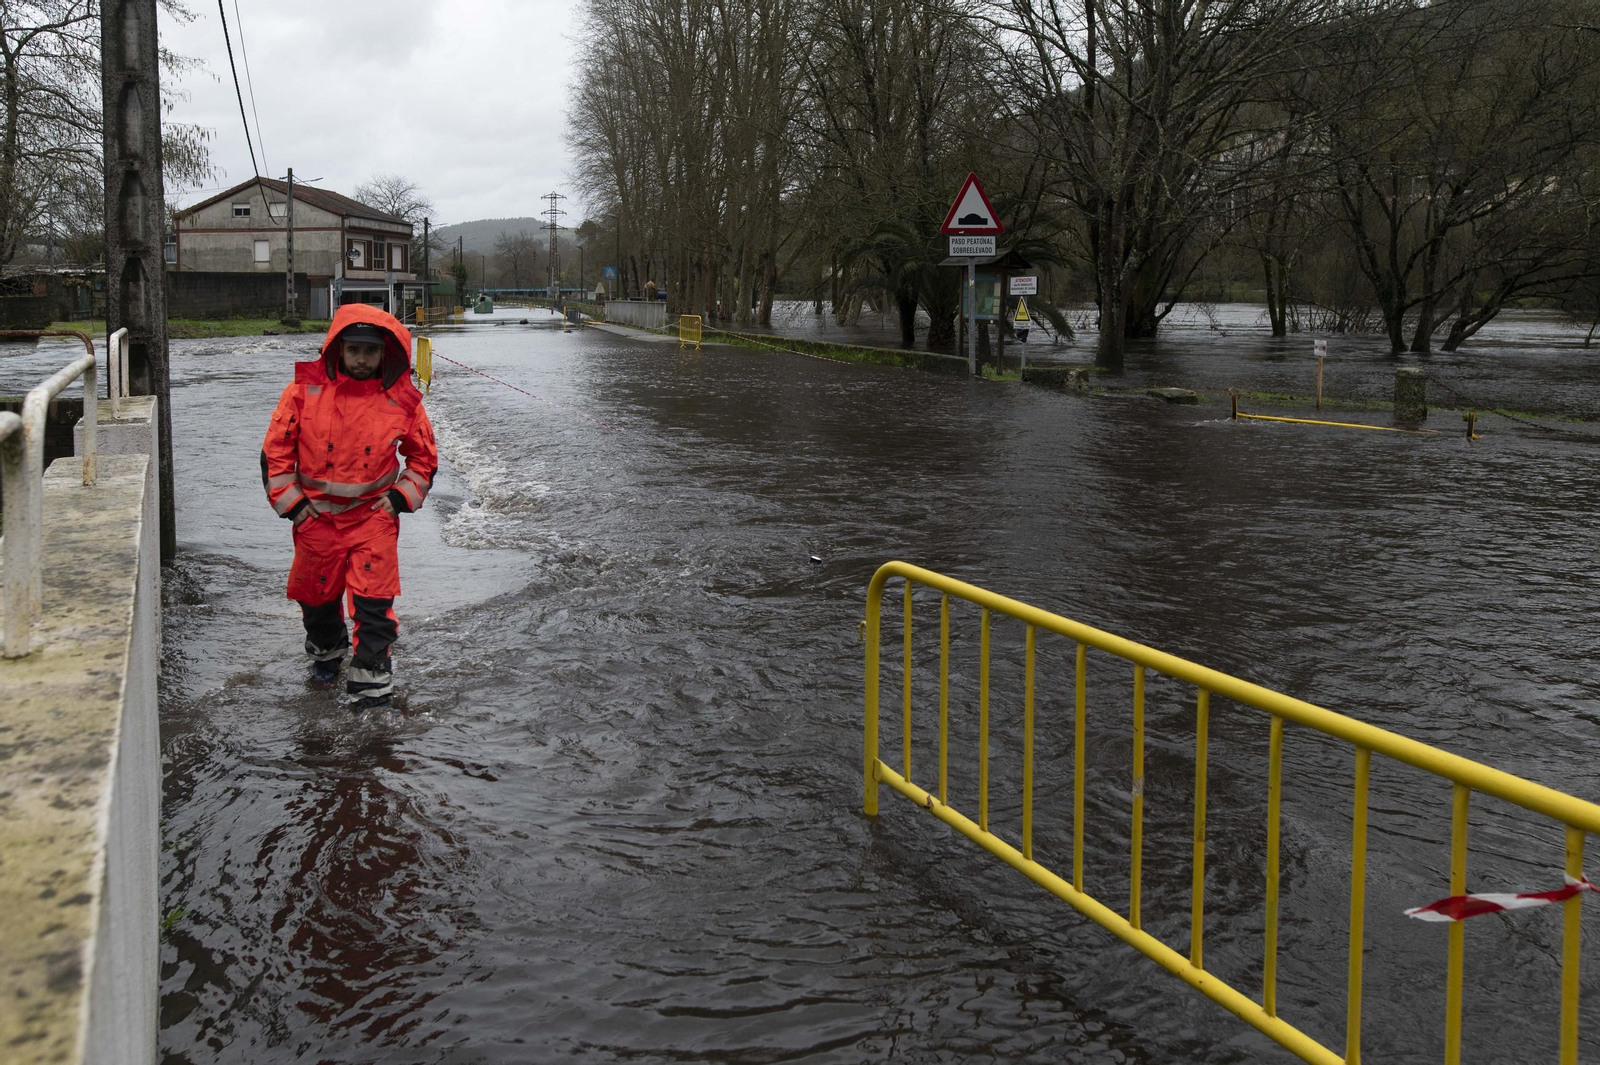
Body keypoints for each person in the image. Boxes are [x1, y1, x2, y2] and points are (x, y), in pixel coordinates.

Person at [261, 304, 438, 711]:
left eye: (370, 351)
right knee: (317, 601)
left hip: (372, 520)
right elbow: (275, 452)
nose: (361, 359)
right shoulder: (302, 391)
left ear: (385, 354)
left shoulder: (403, 401)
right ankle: (326, 655)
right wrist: (295, 507)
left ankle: (372, 693)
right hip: (315, 520)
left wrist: (396, 501)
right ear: (338, 349)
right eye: (353, 349)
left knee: (374, 606)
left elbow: (424, 459)